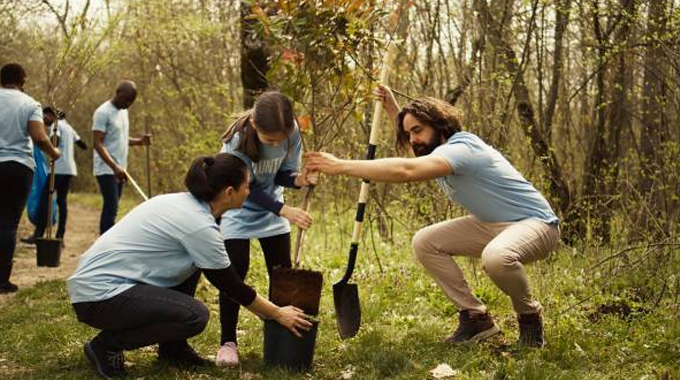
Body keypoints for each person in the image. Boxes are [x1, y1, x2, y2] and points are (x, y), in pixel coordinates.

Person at [305, 86, 560, 348]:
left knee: (496, 257)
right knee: (425, 241)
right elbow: (414, 153)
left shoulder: (462, 148)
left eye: (417, 131)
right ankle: (476, 318)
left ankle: (529, 316)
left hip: (537, 225)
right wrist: (395, 108)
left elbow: (406, 170)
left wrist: (339, 166)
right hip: (492, 225)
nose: (412, 140)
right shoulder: (436, 151)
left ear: (441, 125)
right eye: (408, 133)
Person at [67, 153, 312, 378]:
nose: (250, 192)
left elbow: (217, 274)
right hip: (99, 297)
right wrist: (278, 313)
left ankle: (173, 348)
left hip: (99, 289)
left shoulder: (185, 204)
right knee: (195, 315)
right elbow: (232, 286)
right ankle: (106, 346)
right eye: (247, 186)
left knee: (194, 263)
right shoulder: (198, 225)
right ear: (229, 192)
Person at [215, 91, 318, 367]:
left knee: (282, 273)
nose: (276, 143)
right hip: (236, 206)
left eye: (280, 140)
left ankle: (281, 335)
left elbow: (281, 174)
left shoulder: (291, 131)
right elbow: (246, 189)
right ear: (255, 126)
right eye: (269, 140)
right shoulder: (236, 140)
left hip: (271, 209)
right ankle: (228, 342)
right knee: (236, 271)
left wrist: (300, 179)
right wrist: (284, 210)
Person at [0, 63, 61, 293]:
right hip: (18, 167)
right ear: (22, 80)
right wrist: (54, 152)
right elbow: (38, 136)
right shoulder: (29, 103)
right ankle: (2, 280)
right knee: (7, 223)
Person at [21, 107, 87, 246]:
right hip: (70, 169)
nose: (44, 121)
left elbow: (53, 142)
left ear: (52, 116)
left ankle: (38, 234)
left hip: (58, 169)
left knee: (45, 199)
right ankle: (60, 236)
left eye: (45, 117)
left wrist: (45, 142)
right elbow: (83, 145)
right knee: (62, 201)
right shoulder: (69, 127)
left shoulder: (56, 127)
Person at [92, 80, 150, 235]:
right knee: (111, 206)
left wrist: (139, 142)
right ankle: (104, 246)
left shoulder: (123, 112)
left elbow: (120, 138)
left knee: (114, 207)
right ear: (118, 93)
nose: (128, 104)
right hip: (106, 168)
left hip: (120, 169)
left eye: (131, 101)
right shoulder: (102, 112)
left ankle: (107, 243)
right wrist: (114, 167)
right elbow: (97, 143)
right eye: (126, 100)